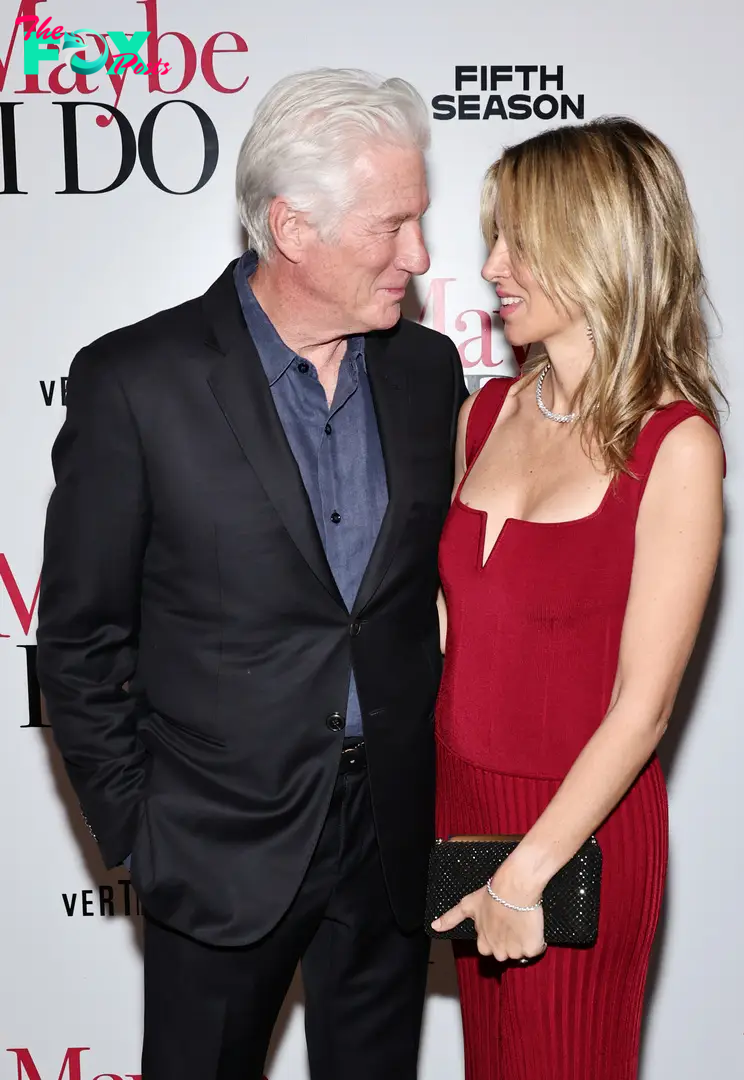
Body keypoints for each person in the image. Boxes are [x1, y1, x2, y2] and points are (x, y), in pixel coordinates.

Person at [36, 68, 467, 1080]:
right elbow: (80, 640)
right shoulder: (136, 383)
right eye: (392, 224)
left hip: (390, 846)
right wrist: (142, 837)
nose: (419, 254)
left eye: (421, 221)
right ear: (293, 226)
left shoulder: (425, 371)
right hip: (215, 850)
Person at [431, 118, 725, 1079]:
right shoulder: (484, 413)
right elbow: (456, 635)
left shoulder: (673, 447)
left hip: (579, 829)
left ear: (596, 246)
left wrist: (529, 872)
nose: (493, 265)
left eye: (520, 240)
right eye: (494, 237)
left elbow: (642, 709)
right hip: (467, 813)